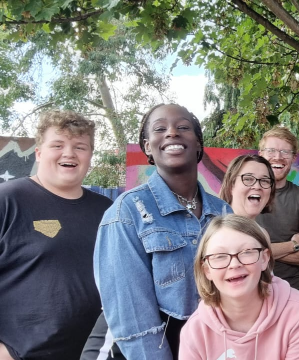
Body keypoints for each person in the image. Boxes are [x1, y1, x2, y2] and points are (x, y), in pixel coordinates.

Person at [93, 104, 231, 359]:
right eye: (160, 129)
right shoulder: (127, 213)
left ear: (198, 144)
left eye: (183, 127)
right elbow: (131, 315)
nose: (171, 133)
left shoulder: (223, 213)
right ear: (147, 146)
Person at [0, 110, 112, 360]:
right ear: (39, 153)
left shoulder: (107, 212)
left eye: (80, 147)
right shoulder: (8, 200)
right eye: (58, 145)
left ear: (90, 156)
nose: (69, 153)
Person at [179, 214, 299, 359]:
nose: (234, 264)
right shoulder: (195, 331)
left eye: (246, 252)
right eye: (219, 256)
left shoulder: (297, 311)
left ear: (264, 258)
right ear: (207, 270)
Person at [256, 127, 299, 293]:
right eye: (271, 150)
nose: (278, 157)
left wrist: (262, 253)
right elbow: (242, 251)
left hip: (292, 290)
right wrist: (293, 245)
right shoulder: (247, 194)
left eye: (285, 151)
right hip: (252, 289)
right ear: (261, 153)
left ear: (294, 157)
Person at [219, 154, 276, 219]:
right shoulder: (216, 228)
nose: (257, 186)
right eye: (248, 179)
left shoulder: (259, 229)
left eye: (264, 181)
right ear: (231, 186)